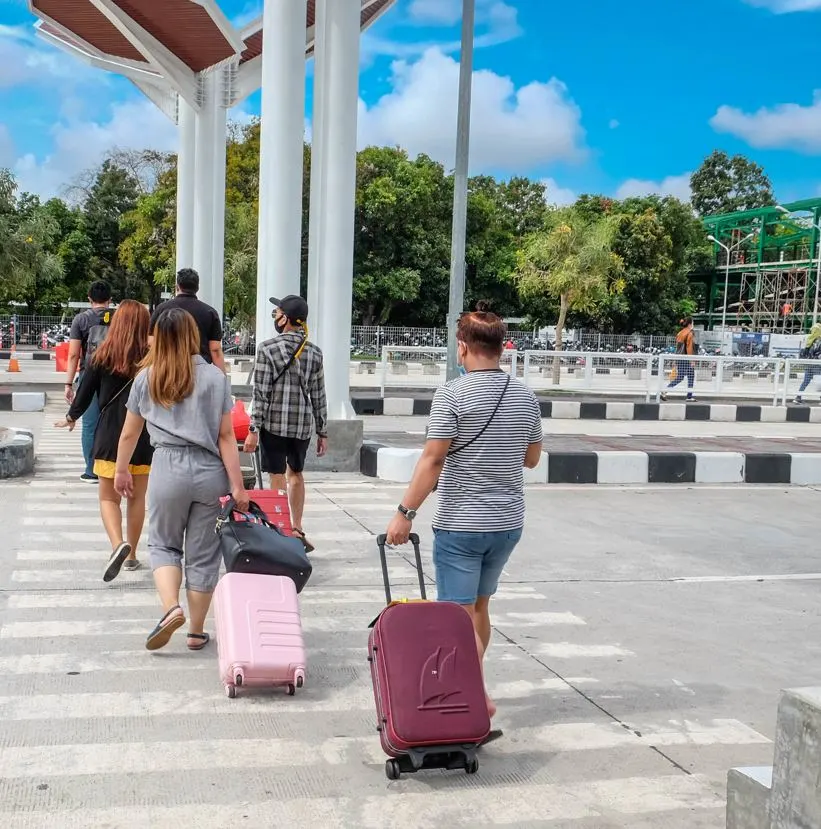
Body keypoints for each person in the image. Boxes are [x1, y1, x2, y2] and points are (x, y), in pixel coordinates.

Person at [384, 301, 543, 719]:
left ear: (464, 347)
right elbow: (531, 459)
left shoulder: (452, 395)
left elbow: (433, 460)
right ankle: (472, 685)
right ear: (501, 348)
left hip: (462, 526)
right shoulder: (525, 396)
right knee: (479, 607)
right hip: (507, 524)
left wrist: (405, 511)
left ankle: (474, 695)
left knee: (456, 616)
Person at [114, 308, 248, 652]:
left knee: (162, 544)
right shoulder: (216, 378)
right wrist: (238, 486)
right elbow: (225, 437)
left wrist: (121, 469)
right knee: (203, 555)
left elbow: (130, 433)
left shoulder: (146, 377)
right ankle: (196, 631)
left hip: (166, 468)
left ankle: (171, 608)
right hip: (209, 471)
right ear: (193, 336)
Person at [56, 300, 153, 581]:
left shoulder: (102, 355)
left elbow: (84, 393)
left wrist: (72, 417)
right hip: (144, 437)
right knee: (137, 499)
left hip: (110, 436)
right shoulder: (153, 357)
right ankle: (132, 555)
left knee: (108, 499)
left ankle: (117, 544)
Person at [243, 295, 328, 553]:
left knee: (276, 476)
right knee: (297, 475)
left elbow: (261, 393)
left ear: (286, 319)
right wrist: (322, 431)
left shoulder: (267, 349)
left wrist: (253, 429)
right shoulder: (314, 351)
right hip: (301, 426)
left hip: (274, 425)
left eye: (276, 314)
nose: (275, 318)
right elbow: (319, 393)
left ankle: (280, 528)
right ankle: (297, 527)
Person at [65, 281, 114, 482]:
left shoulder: (81, 320)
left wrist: (68, 383)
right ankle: (111, 467)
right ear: (110, 300)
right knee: (114, 421)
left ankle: (91, 470)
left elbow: (73, 354)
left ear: (89, 299)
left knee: (90, 424)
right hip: (116, 376)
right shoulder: (118, 318)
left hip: (89, 375)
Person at [149, 268, 225, 370]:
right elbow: (215, 349)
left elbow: (151, 342)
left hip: (168, 368)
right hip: (199, 370)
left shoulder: (161, 309)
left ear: (177, 287)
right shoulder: (210, 312)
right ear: (197, 288)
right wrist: (221, 375)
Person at [661, 317, 696, 402]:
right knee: (691, 376)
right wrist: (692, 360)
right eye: (693, 323)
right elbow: (689, 348)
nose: (693, 325)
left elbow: (678, 348)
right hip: (687, 358)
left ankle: (665, 390)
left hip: (680, 358)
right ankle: (689, 396)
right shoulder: (689, 333)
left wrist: (675, 360)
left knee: (680, 377)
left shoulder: (680, 333)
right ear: (689, 324)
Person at [795, 322, 821, 404]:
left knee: (806, 381)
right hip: (817, 365)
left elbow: (805, 353)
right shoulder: (819, 341)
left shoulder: (809, 339)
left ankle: (798, 397)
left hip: (808, 364)